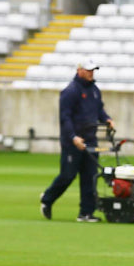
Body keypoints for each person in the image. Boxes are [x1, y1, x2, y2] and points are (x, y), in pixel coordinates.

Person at [40, 58, 114, 222]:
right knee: (67, 175)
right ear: (79, 70)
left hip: (90, 140)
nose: (91, 73)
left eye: (93, 70)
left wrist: (107, 119)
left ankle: (86, 212)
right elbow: (65, 118)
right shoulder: (70, 91)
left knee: (90, 176)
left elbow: (99, 110)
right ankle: (47, 198)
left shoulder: (94, 90)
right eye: (88, 70)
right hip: (72, 142)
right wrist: (73, 137)